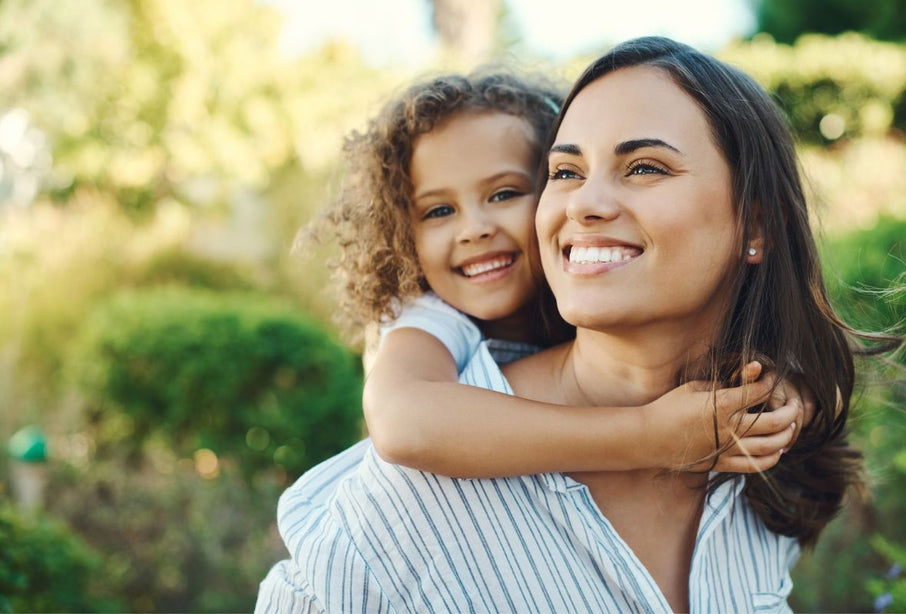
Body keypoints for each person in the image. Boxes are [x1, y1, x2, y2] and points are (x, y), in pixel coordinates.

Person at [257, 38, 861, 612]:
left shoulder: (757, 452)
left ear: (756, 228)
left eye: (645, 167)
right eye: (567, 172)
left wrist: (791, 401)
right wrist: (649, 435)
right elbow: (402, 419)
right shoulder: (405, 498)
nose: (582, 204)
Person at [315, 70, 805, 481]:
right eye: (439, 210)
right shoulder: (430, 320)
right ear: (404, 235)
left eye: (504, 195)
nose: (474, 230)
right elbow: (404, 424)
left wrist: (776, 398)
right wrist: (650, 437)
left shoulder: (588, 292)